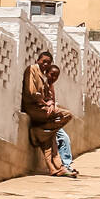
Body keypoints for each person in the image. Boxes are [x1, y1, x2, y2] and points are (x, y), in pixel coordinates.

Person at [21, 49, 74, 177]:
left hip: (42, 109)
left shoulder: (44, 77)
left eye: (48, 62)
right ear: (38, 60)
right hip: (33, 108)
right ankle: (38, 132)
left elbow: (48, 96)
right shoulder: (32, 70)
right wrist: (46, 103)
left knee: (49, 138)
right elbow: (31, 92)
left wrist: (50, 102)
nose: (45, 64)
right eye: (44, 61)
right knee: (67, 115)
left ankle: (55, 168)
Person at [47, 65, 79, 176]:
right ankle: (62, 167)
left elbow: (53, 102)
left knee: (64, 138)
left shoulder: (51, 86)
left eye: (56, 76)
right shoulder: (41, 84)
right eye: (52, 74)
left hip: (51, 120)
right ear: (46, 73)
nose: (54, 77)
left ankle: (66, 165)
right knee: (60, 139)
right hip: (43, 119)